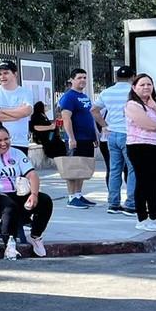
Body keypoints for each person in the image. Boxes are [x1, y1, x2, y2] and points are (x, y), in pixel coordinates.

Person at [0, 124, 52, 259]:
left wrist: (34, 194)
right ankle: (10, 243)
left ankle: (36, 235)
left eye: (6, 139)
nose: (3, 143)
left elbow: (32, 175)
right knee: (9, 206)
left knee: (45, 200)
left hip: (17, 192)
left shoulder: (17, 153)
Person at [124, 73, 156, 232]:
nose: (146, 87)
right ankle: (142, 218)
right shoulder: (133, 105)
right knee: (143, 182)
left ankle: (155, 216)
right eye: (142, 85)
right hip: (140, 146)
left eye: (149, 84)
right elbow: (149, 125)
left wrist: (155, 107)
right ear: (134, 87)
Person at [92, 65, 137, 217]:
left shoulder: (107, 92)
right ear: (133, 77)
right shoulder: (133, 91)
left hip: (112, 134)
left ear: (116, 77)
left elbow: (94, 110)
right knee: (132, 169)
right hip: (129, 135)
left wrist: (105, 125)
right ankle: (131, 204)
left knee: (114, 170)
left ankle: (113, 203)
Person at [58, 68, 100, 208]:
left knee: (82, 167)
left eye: (84, 77)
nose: (82, 80)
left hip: (87, 138)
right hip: (76, 139)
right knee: (73, 168)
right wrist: (71, 138)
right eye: (79, 77)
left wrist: (94, 135)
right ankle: (71, 197)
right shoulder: (69, 97)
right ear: (72, 80)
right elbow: (66, 118)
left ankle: (78, 194)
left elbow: (90, 117)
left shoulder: (85, 96)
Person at [0, 60, 34, 154]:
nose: (2, 77)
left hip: (19, 142)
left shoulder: (26, 92)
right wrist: (17, 114)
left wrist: (2, 110)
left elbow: (26, 111)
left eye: (6, 73)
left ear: (15, 74)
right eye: (0, 74)